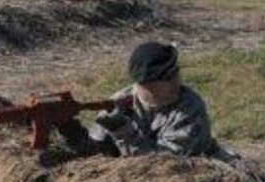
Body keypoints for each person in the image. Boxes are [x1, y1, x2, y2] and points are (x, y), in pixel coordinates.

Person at [66, 42, 225, 158]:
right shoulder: (117, 104)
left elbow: (164, 165)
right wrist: (72, 132)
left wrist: (123, 131)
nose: (176, 81)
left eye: (175, 73)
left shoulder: (189, 107)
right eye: (167, 78)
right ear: (145, 84)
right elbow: (96, 154)